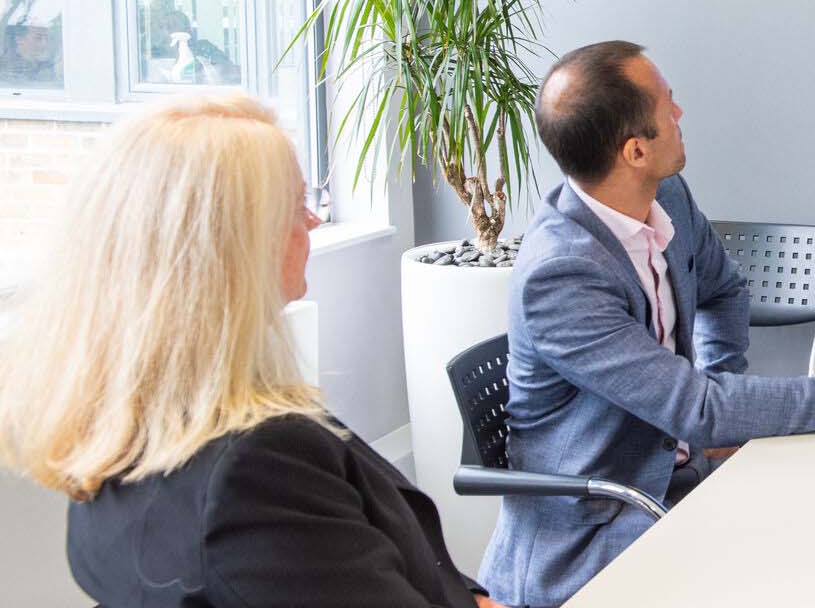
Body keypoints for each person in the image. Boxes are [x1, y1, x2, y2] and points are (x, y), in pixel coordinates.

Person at [479, 40, 815, 607]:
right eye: (667, 104)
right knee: (804, 569)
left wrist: (715, 401)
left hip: (677, 478)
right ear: (635, 152)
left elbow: (723, 293)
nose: (679, 113)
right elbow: (699, 407)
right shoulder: (562, 274)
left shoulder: (663, 193)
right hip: (599, 526)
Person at [0, 94, 502, 607]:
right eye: (296, 205)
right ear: (235, 246)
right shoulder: (256, 470)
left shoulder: (115, 427)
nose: (311, 222)